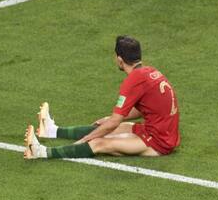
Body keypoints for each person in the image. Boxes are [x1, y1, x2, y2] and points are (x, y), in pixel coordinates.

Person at [24, 36, 180, 160]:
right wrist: (110, 119)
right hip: (161, 131)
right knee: (106, 127)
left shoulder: (133, 81)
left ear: (120, 59)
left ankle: (41, 152)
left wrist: (88, 138)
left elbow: (115, 122)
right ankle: (51, 131)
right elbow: (146, 109)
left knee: (98, 142)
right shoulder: (150, 72)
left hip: (158, 142)